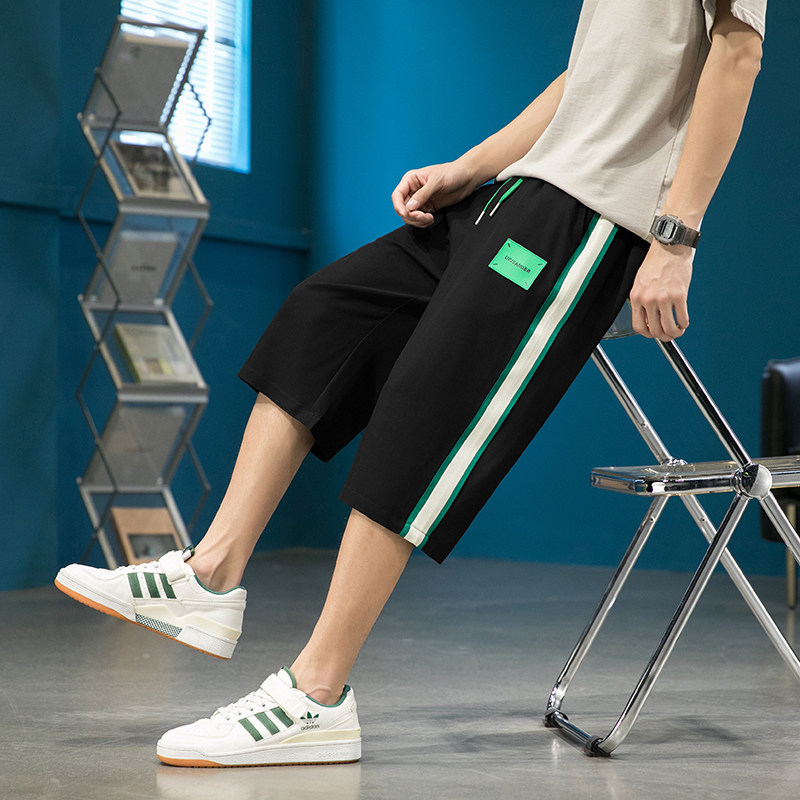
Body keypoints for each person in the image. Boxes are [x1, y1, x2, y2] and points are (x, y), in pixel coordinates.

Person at [55, 0, 766, 767]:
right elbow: (587, 79)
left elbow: (736, 52)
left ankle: (316, 695)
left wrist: (675, 237)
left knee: (427, 410)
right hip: (517, 194)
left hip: (591, 218)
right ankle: (210, 575)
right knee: (322, 318)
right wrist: (471, 167)